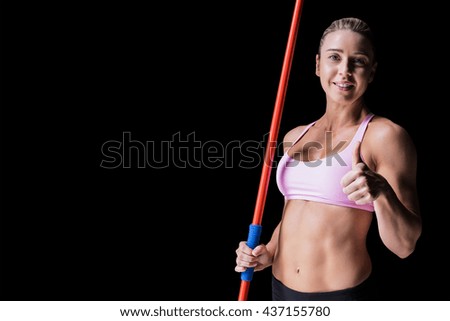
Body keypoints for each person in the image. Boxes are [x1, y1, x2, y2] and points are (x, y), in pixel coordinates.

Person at [235, 17, 422, 300]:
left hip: (340, 299)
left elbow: (404, 245)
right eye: (335, 57)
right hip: (280, 291)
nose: (344, 70)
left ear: (371, 72)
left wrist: (382, 191)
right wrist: (268, 252)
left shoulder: (384, 136)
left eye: (358, 61)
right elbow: (297, 212)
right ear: (318, 65)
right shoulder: (295, 136)